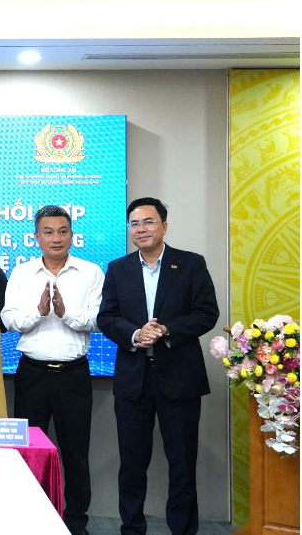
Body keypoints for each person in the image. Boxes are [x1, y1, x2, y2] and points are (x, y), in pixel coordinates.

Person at [98, 197, 218, 535]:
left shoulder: (190, 264)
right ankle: (132, 528)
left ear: (164, 226)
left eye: (148, 222)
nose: (141, 229)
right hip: (133, 381)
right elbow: (107, 317)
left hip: (179, 379)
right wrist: (136, 333)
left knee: (182, 464)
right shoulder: (118, 268)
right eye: (134, 224)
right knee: (131, 464)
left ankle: (183, 529)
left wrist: (166, 330)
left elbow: (207, 312)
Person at [1, 205, 104, 535]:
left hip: (74, 375)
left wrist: (65, 312)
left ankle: (76, 523)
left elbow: (99, 320)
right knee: (29, 451)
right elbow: (9, 319)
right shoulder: (22, 273)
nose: (56, 238)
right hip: (32, 374)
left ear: (72, 235)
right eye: (48, 232)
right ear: (36, 237)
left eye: (62, 231)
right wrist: (38, 311)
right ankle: (30, 520)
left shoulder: (90, 272)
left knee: (76, 452)